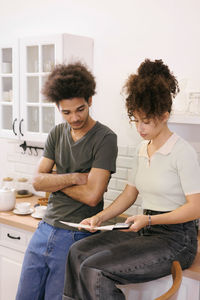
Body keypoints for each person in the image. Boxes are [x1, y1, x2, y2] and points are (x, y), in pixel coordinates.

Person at [63, 59, 200, 300]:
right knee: (76, 252)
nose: (140, 128)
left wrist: (149, 219)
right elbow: (129, 193)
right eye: (135, 120)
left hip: (177, 240)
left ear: (165, 115)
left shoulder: (182, 152)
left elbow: (195, 208)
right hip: (146, 231)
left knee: (95, 270)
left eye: (146, 121)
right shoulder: (141, 149)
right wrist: (99, 217)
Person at [16, 62, 118, 300]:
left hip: (76, 234)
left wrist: (55, 180)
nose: (74, 118)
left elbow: (93, 195)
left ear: (90, 100)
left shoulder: (105, 138)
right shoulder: (56, 133)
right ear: (58, 107)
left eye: (80, 109)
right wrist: (74, 177)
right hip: (44, 227)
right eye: (67, 112)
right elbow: (37, 182)